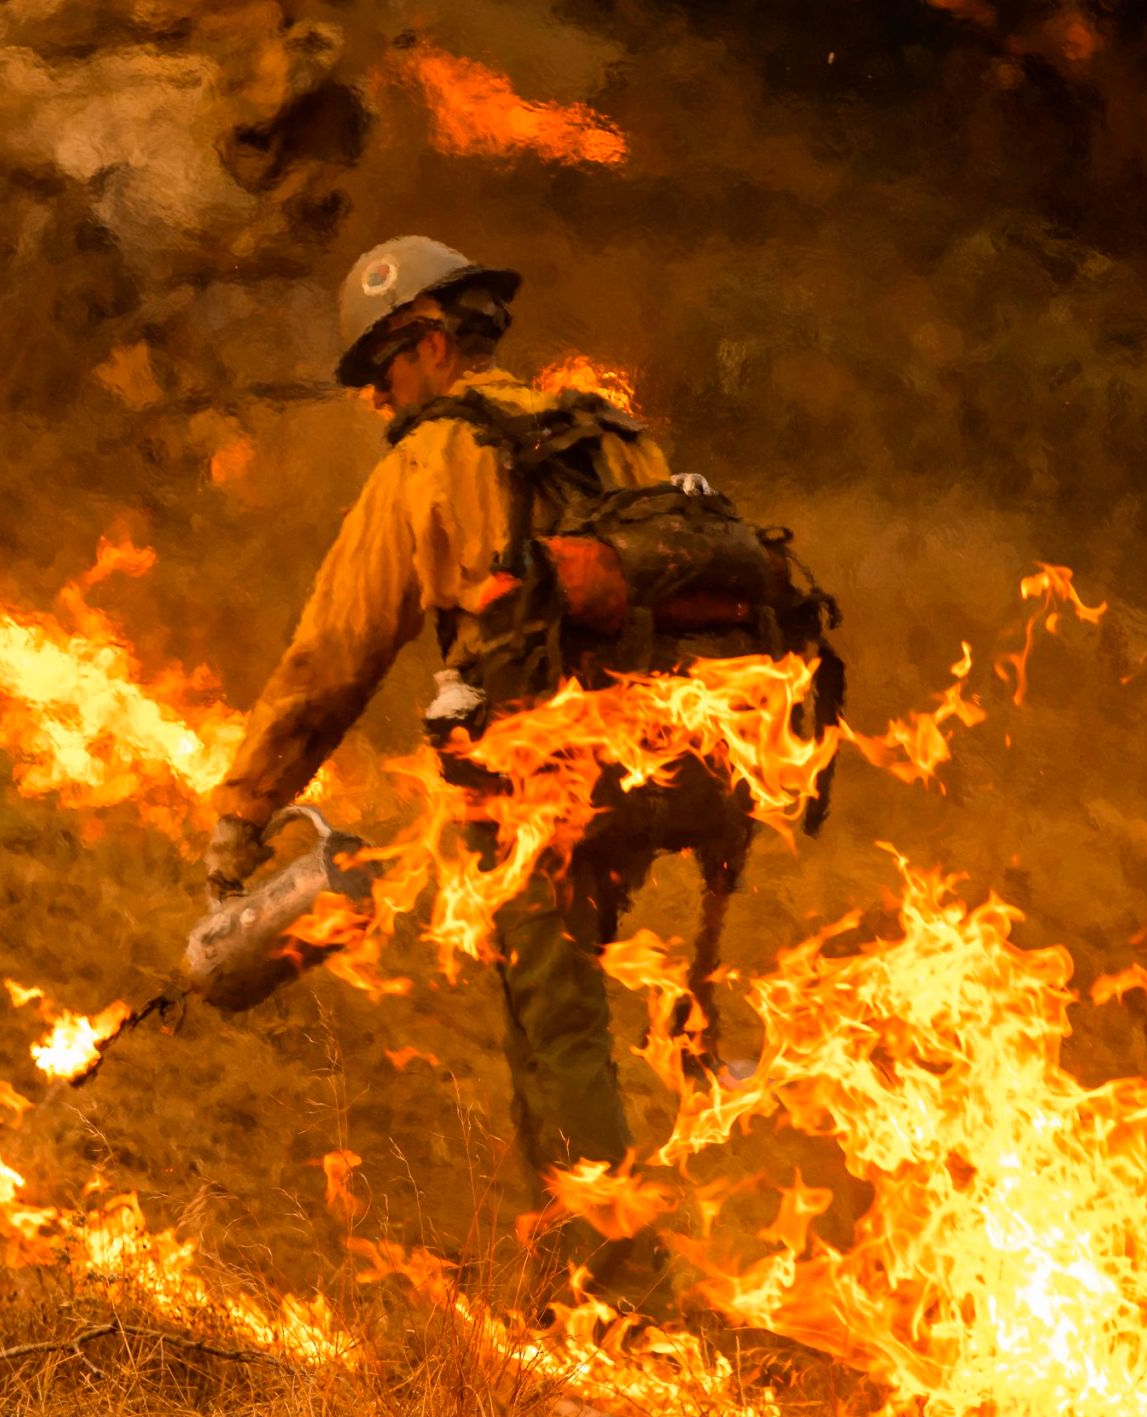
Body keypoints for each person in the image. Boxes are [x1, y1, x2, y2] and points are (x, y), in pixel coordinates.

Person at [200, 235, 784, 1311]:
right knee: (567, 1012)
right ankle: (580, 1254)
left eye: (381, 372)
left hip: (544, 776)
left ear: (429, 344)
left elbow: (330, 660)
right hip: (675, 756)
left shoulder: (429, 460)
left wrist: (245, 811)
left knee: (554, 1018)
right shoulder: (610, 430)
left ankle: (612, 1287)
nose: (377, 400)